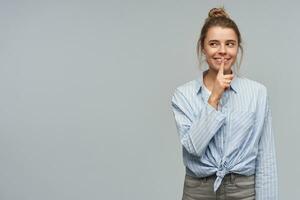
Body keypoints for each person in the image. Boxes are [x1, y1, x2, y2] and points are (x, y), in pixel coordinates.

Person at [171, 7, 278, 200]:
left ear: (238, 48)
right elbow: (194, 148)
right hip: (198, 190)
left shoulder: (257, 93)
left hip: (243, 190)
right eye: (214, 44)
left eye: (230, 44)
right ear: (203, 48)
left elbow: (265, 158)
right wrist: (214, 97)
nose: (222, 51)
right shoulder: (183, 95)